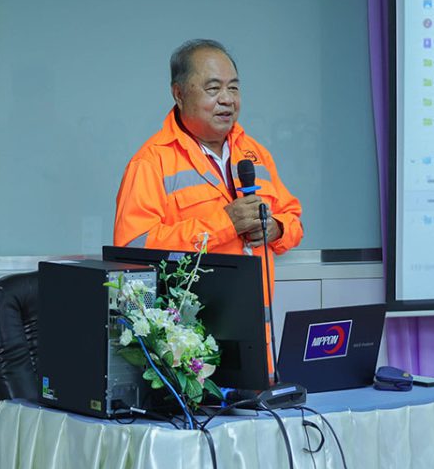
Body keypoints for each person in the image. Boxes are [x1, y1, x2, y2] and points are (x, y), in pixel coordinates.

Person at [114, 40, 303, 375]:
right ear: (178, 94)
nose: (227, 99)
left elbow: (293, 220)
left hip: (257, 337)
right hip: (187, 349)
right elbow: (132, 252)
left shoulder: (256, 155)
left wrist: (276, 228)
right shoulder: (152, 162)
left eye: (234, 88)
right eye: (213, 89)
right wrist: (223, 225)